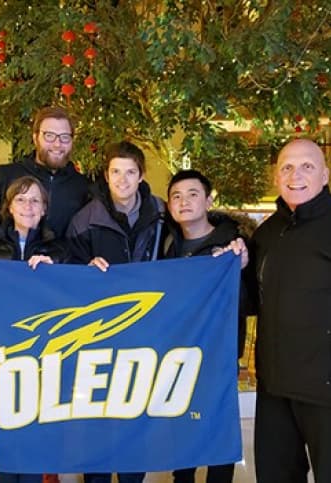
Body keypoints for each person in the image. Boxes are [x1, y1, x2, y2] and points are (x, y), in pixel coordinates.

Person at [66, 140, 165, 483]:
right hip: (98, 335)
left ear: (141, 175)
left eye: (130, 172)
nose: (122, 180)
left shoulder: (161, 213)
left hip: (144, 332)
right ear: (105, 176)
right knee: (98, 416)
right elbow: (67, 272)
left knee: (134, 412)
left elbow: (187, 248)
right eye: (115, 172)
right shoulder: (85, 219)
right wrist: (85, 268)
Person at [247, 138, 331, 483]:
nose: (296, 175)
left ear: (325, 175)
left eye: (307, 166)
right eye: (287, 167)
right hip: (275, 389)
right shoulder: (266, 233)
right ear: (276, 177)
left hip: (325, 390)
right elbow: (250, 301)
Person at [0, 176, 68, 483]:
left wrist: (55, 272)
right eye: (21, 199)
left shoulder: (61, 251)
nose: (28, 206)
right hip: (1, 357)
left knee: (33, 443)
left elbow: (74, 298)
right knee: (2, 439)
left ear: (44, 209)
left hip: (42, 361)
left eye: (35, 200)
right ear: (9, 206)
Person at [164, 169, 248, 483]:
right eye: (176, 196)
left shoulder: (231, 246)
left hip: (218, 359)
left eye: (193, 194)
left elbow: (248, 303)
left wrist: (237, 267)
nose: (184, 202)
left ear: (209, 200)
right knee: (182, 434)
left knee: (216, 437)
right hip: (178, 357)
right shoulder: (169, 248)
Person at [0, 106, 89, 238]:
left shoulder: (83, 186)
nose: (57, 144)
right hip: (9, 258)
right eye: (49, 136)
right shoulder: (5, 176)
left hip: (62, 258)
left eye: (64, 137)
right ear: (35, 138)